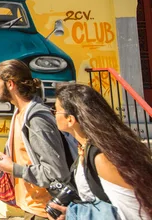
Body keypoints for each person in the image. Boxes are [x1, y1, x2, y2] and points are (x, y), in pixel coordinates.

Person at [47, 83, 152, 220]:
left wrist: (75, 215)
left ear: (70, 119)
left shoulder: (102, 157)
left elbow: (134, 215)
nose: (53, 115)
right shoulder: (86, 149)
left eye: (55, 110)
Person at [0, 60, 71, 220]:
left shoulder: (36, 120)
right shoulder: (19, 113)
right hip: (31, 208)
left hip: (45, 212)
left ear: (10, 84)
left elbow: (55, 172)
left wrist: (14, 168)